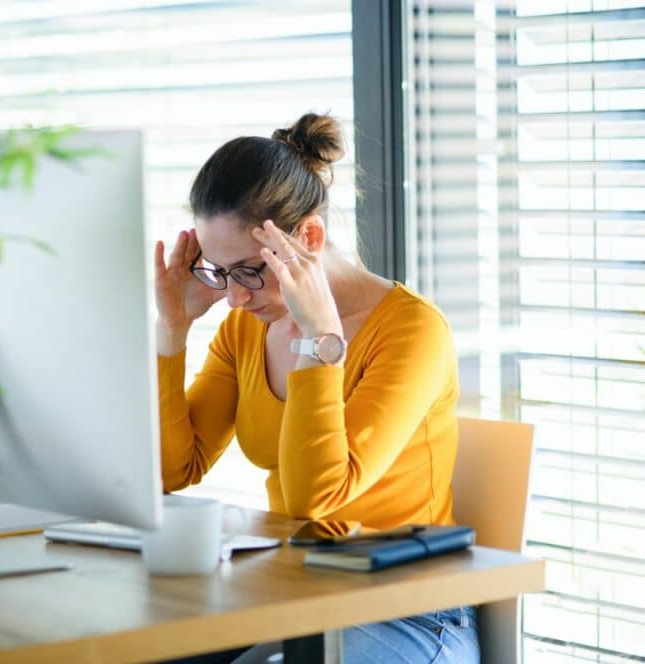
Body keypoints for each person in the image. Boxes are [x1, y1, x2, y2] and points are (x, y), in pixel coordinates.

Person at [153, 113, 480, 663]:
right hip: (295, 593)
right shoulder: (246, 328)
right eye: (221, 272)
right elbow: (171, 470)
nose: (235, 298)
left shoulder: (411, 330)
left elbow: (317, 498)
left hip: (411, 610)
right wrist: (171, 330)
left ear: (307, 237)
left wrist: (318, 339)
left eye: (250, 270)